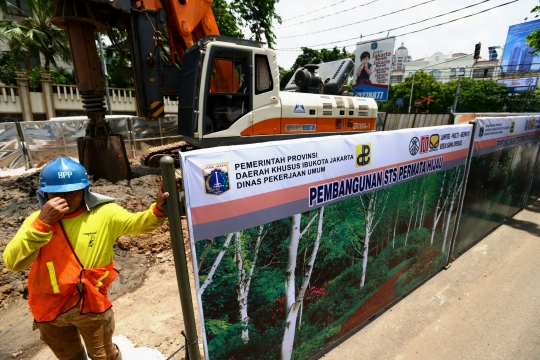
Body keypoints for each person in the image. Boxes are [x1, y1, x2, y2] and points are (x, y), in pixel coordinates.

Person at [3, 157, 178, 360]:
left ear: (84, 190)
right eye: (57, 193)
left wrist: (157, 209)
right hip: (49, 310)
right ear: (45, 194)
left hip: (90, 304)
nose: (65, 198)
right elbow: (13, 263)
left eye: (72, 191)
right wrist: (42, 224)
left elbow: (139, 223)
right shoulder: (36, 222)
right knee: (69, 357)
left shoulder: (104, 214)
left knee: (103, 356)